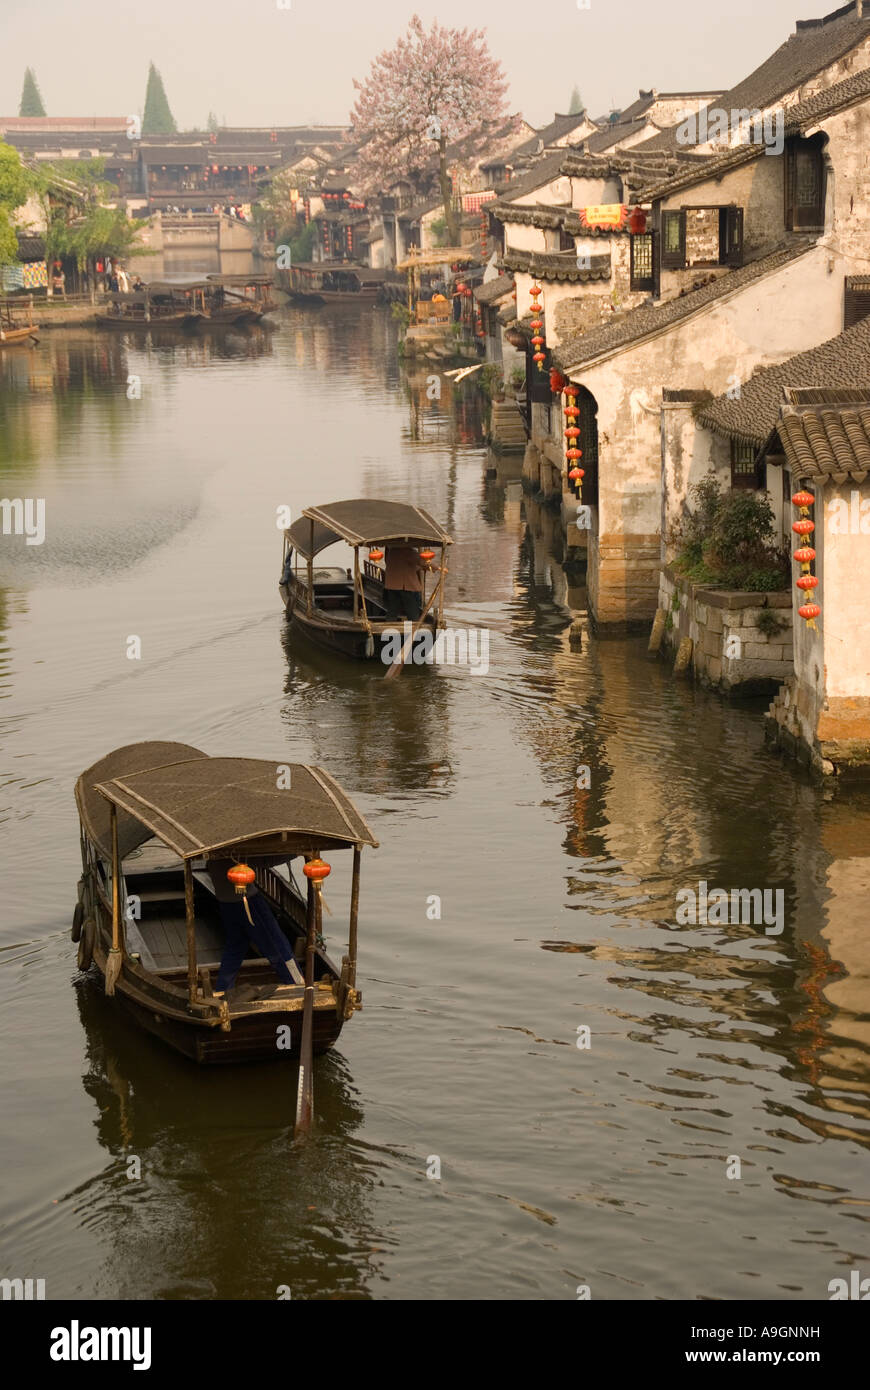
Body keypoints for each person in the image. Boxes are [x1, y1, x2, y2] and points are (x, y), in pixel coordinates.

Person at [208, 858, 300, 996]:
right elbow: (263, 861)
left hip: (226, 902)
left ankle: (222, 989)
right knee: (277, 945)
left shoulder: (212, 855)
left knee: (235, 948)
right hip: (247, 901)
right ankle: (297, 984)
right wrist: (294, 854)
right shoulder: (235, 853)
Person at [383, 543, 432, 621]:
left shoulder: (391, 551)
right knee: (412, 613)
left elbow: (404, 565)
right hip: (405, 586)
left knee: (392, 611)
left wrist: (419, 567)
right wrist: (438, 567)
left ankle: (390, 627)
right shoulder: (408, 551)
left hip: (392, 586)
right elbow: (422, 562)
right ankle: (413, 629)